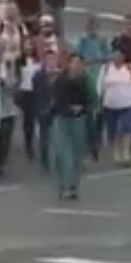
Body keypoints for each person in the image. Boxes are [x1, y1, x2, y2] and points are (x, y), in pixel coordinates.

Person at [50, 53, 91, 200]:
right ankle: (66, 186)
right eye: (74, 63)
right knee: (65, 154)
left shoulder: (84, 81)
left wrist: (82, 108)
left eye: (80, 63)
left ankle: (73, 186)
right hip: (62, 120)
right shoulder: (60, 81)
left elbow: (88, 100)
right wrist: (69, 109)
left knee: (77, 156)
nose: (77, 66)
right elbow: (58, 101)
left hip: (79, 120)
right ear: (69, 64)